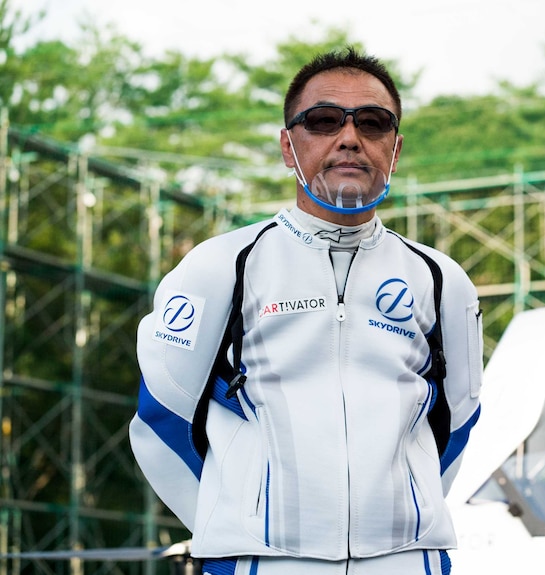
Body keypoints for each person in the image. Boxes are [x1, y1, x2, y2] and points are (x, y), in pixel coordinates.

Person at [129, 47, 484, 575]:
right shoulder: (222, 265)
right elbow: (162, 420)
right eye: (321, 121)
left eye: (373, 122)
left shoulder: (441, 279)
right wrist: (237, 521)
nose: (349, 138)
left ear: (396, 147)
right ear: (287, 145)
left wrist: (401, 520)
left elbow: (457, 422)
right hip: (256, 563)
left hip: (409, 562)